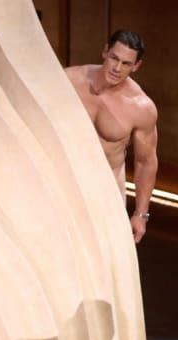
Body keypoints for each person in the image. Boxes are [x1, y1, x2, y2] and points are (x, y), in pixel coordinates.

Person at [65, 29, 158, 243]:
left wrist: (140, 214)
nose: (117, 68)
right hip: (66, 179)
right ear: (105, 52)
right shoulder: (68, 80)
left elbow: (146, 162)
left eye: (126, 64)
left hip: (106, 188)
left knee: (103, 261)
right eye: (114, 58)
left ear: (136, 66)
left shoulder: (141, 107)